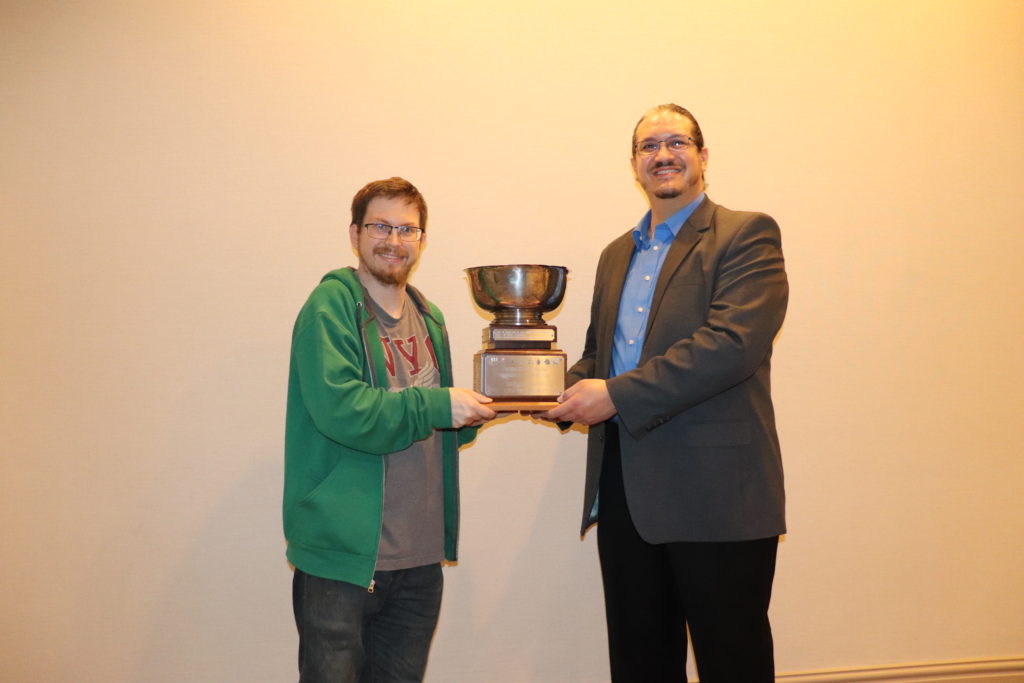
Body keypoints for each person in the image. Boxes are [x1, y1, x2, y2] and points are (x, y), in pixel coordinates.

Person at [543, 104, 788, 682]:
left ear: (703, 156)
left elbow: (731, 345)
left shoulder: (746, 234)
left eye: (676, 142)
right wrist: (542, 389)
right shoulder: (614, 255)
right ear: (634, 166)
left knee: (734, 663)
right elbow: (599, 355)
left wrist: (616, 396)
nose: (662, 155)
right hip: (627, 491)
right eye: (648, 147)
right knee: (640, 664)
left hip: (718, 497)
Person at [283, 177, 496, 682]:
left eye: (408, 229)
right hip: (344, 558)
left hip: (419, 560)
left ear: (422, 241)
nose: (394, 240)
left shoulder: (431, 317)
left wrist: (484, 409)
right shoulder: (329, 309)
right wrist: (438, 407)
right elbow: (345, 412)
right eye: (381, 226)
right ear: (355, 234)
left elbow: (432, 426)